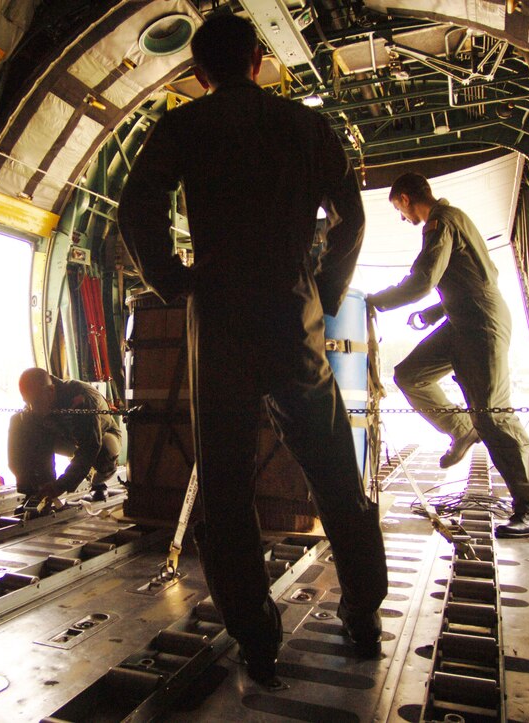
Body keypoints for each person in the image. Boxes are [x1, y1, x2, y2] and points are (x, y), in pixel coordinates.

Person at [118, 14, 388, 685]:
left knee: (228, 488)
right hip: (291, 314)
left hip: (221, 319)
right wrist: (320, 288)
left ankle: (257, 640)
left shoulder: (183, 126)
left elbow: (135, 206)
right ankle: (363, 614)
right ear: (259, 62)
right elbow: (350, 216)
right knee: (332, 471)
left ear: (201, 73)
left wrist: (172, 276)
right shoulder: (305, 126)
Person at [365, 172, 529, 538]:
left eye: (399, 210)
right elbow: (481, 271)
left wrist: (370, 301)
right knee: (410, 374)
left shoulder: (440, 222)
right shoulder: (458, 218)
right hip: (461, 319)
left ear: (404, 198)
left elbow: (422, 280)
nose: (403, 218)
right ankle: (460, 428)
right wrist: (437, 312)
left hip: (481, 323)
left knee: (494, 414)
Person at [9, 368, 122, 503]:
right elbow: (33, 445)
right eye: (28, 403)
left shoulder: (80, 397)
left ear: (50, 391)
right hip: (68, 440)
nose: (33, 408)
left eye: (36, 403)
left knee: (104, 447)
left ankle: (98, 483)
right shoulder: (36, 402)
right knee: (19, 422)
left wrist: (62, 485)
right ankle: (35, 492)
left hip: (100, 438)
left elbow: (90, 446)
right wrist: (41, 486)